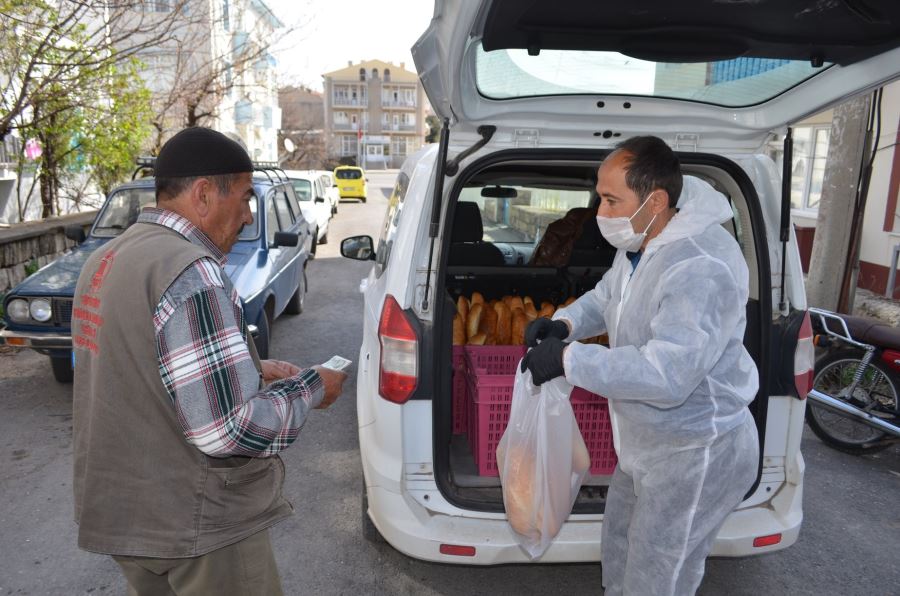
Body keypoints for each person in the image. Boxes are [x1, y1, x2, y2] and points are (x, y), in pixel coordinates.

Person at [72, 127, 347, 595]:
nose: (247, 216)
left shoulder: (107, 257)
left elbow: (135, 361)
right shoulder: (191, 270)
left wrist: (245, 368)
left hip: (124, 517)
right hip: (195, 527)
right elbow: (227, 429)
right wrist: (313, 387)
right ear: (203, 194)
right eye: (243, 198)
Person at [521, 136, 759, 595]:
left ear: (655, 200)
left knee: (658, 580)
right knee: (621, 553)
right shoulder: (643, 240)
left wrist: (569, 360)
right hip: (646, 443)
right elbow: (608, 296)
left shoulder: (700, 266)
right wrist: (563, 324)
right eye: (600, 197)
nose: (600, 212)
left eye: (612, 200)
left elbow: (668, 374)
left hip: (695, 452)